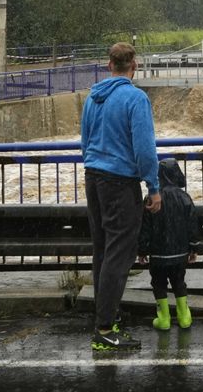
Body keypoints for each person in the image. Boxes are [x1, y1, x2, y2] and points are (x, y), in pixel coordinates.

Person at [81, 42, 161, 351]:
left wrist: (96, 165)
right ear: (134, 66)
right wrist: (153, 188)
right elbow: (144, 148)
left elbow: (85, 141)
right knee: (120, 254)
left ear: (109, 65)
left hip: (94, 178)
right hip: (119, 182)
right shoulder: (135, 98)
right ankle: (104, 328)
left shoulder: (93, 97)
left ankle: (105, 322)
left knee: (102, 251)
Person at [138, 157, 199, 330]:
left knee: (158, 284)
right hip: (180, 254)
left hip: (158, 255)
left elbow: (145, 229)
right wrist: (193, 247)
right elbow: (192, 226)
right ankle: (184, 316)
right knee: (179, 282)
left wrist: (142, 250)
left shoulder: (151, 199)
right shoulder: (185, 198)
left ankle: (163, 318)